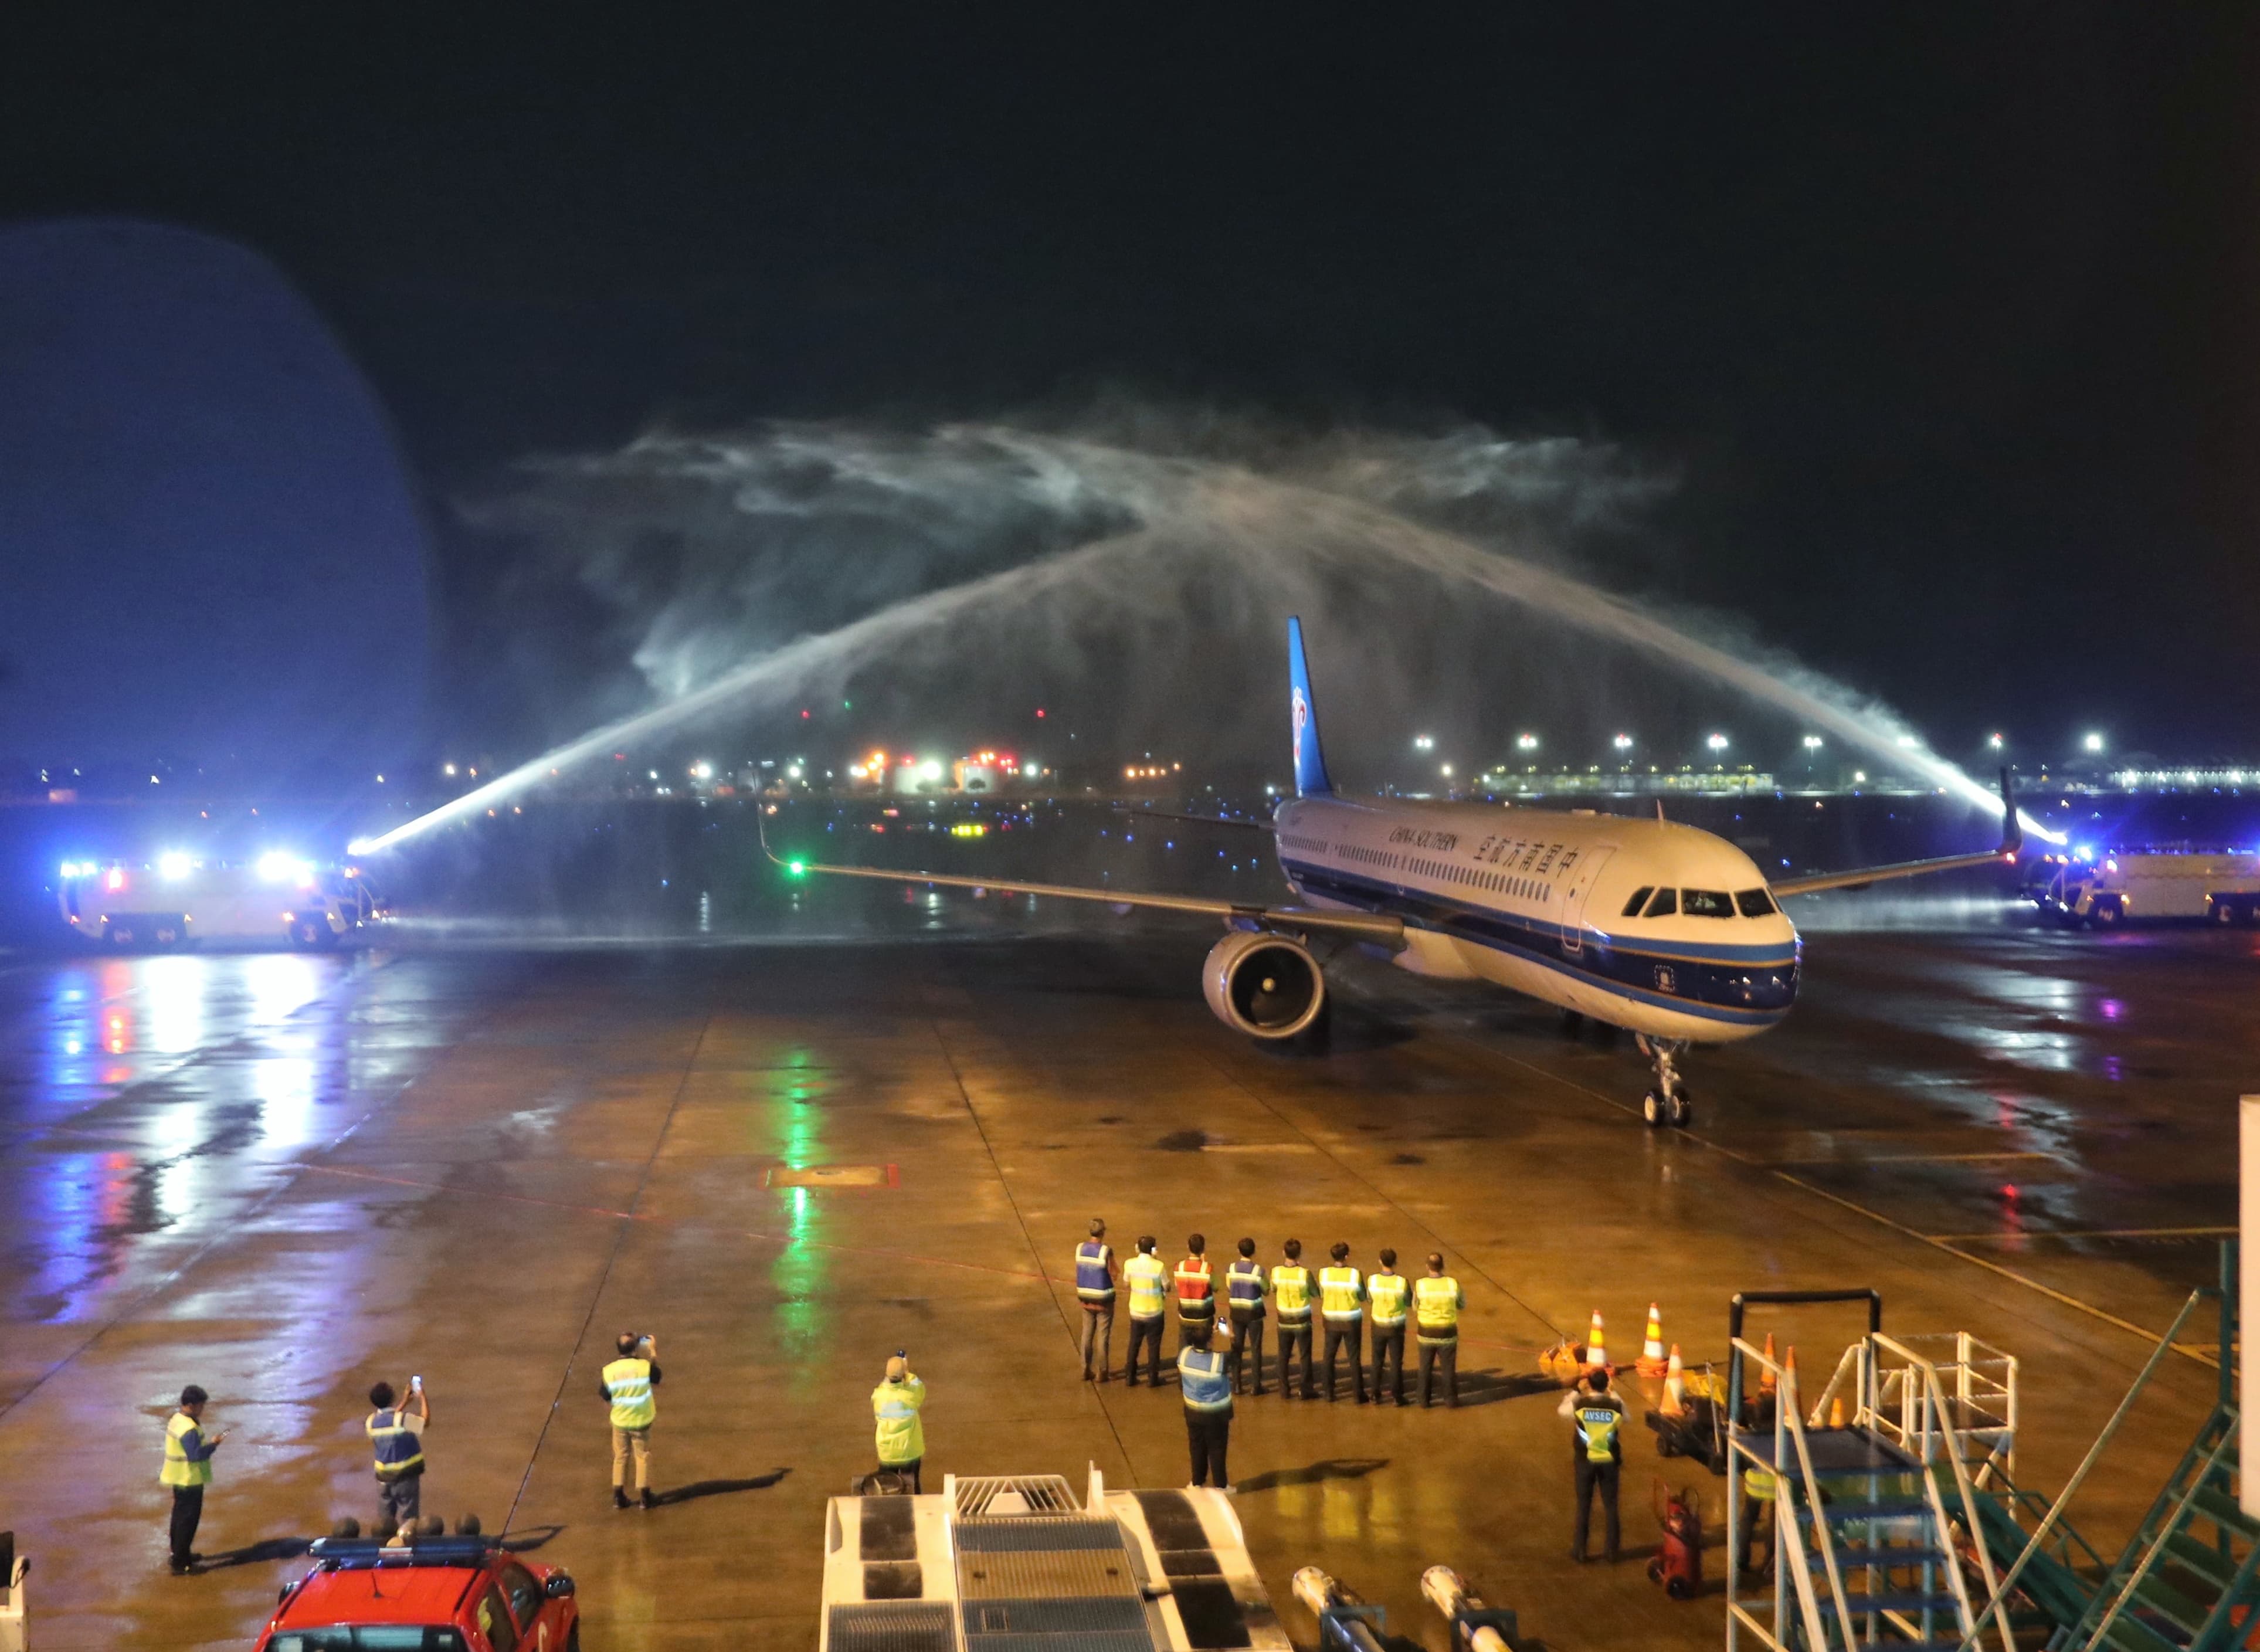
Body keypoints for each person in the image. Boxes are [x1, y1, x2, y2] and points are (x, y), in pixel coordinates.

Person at [1560, 1367, 1626, 1562]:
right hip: (1609, 1462)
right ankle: (1612, 1552)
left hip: (1585, 1462)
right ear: (1606, 1384)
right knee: (1611, 1506)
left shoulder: (1580, 1405)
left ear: (1589, 1384)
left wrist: (1577, 1390)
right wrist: (1614, 1392)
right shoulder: (1614, 1406)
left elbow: (1562, 1411)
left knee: (1584, 1506)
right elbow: (1627, 1417)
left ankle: (1580, 1551)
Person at [159, 1384, 226, 1575]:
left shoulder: (177, 1419)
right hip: (189, 1480)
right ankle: (182, 1564)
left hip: (179, 1477)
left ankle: (180, 1554)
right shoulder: (188, 1428)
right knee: (187, 1522)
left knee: (179, 1519)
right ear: (191, 1405)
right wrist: (213, 1445)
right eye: (200, 1406)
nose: (202, 1409)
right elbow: (196, 1455)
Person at [599, 1331, 661, 1510]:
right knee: (642, 1457)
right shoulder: (643, 1367)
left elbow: (605, 1396)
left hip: (620, 1422)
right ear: (636, 1348)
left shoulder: (609, 1371)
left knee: (620, 1457)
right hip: (641, 1421)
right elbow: (657, 1377)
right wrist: (653, 1353)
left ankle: (618, 1497)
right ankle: (645, 1498)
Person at [364, 1378, 432, 1529]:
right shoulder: (402, 1420)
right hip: (405, 1478)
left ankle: (386, 1547)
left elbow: (389, 1420)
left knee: (386, 1523)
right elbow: (425, 1422)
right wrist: (422, 1398)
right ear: (391, 1397)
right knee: (410, 1521)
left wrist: (404, 1402)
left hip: (383, 1480)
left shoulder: (370, 1423)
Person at [1177, 1324, 1233, 1491]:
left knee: (1196, 1447)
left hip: (1193, 1411)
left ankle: (1197, 1482)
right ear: (1210, 1342)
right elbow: (1236, 1356)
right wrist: (1231, 1336)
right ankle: (1221, 1486)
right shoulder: (1217, 1361)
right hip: (1216, 1414)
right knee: (1217, 1449)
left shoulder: (1185, 1355)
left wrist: (1207, 1332)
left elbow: (1191, 1342)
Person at [1318, 1243, 1368, 1403]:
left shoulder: (1324, 1273)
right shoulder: (1354, 1274)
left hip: (1331, 1320)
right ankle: (1358, 1395)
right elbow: (1362, 1296)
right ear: (1347, 1256)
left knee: (1329, 1356)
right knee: (1354, 1357)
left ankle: (1329, 1392)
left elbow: (1321, 1293)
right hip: (1351, 1319)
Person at [1413, 1253, 1465, 1408]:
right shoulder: (1452, 1284)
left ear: (1427, 1266)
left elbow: (1415, 1307)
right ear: (1442, 1266)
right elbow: (1462, 1304)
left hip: (1426, 1332)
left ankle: (1424, 1400)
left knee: (1425, 1368)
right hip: (1447, 1332)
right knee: (1448, 1368)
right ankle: (1450, 1400)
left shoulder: (1420, 1284)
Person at [872, 1354, 927, 1492]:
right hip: (909, 1451)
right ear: (903, 1375)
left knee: (887, 1489)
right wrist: (907, 1372)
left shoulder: (878, 1396)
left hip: (887, 1453)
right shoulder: (910, 1396)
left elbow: (884, 1387)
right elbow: (918, 1386)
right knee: (913, 1487)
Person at [1074, 1219, 1119, 1381]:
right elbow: (1115, 1273)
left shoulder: (1080, 1248)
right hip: (1103, 1299)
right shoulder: (1105, 1251)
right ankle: (1102, 1372)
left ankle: (1085, 1368)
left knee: (1087, 1334)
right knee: (1103, 1335)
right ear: (1103, 1232)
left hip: (1086, 1297)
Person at [1271, 1239, 1315, 1399]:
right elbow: (1315, 1293)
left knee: (1283, 1355)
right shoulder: (1304, 1273)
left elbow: (1273, 1288)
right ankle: (1305, 1390)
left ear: (1284, 1253)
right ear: (1299, 1254)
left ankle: (1284, 1389)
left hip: (1284, 1319)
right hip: (1302, 1320)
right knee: (1305, 1355)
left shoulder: (1276, 1272)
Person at [1123, 1236, 1169, 1386]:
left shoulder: (1129, 1264)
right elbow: (1167, 1286)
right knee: (1154, 1346)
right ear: (1153, 1250)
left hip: (1136, 1311)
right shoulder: (1159, 1266)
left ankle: (1130, 1376)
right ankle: (1153, 1378)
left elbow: (1126, 1283)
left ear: (1137, 1248)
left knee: (1134, 1344)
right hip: (1155, 1312)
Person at [1224, 1238, 1267, 1396]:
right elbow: (1266, 1289)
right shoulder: (1258, 1270)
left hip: (1237, 1311)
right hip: (1254, 1313)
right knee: (1256, 1349)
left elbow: (1229, 1287)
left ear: (1239, 1251)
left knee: (1237, 1348)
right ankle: (1256, 1386)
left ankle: (1237, 1385)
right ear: (1253, 1251)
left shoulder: (1232, 1268)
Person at [1367, 1249, 1410, 1406]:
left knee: (1377, 1360)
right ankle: (1397, 1396)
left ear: (1380, 1261)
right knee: (1396, 1362)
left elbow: (1370, 1299)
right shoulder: (1401, 1282)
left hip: (1378, 1324)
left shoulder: (1372, 1280)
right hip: (1396, 1326)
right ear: (1395, 1262)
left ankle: (1375, 1394)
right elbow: (1408, 1301)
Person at [1174, 1234, 1216, 1354]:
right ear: (1203, 1248)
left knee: (1184, 1350)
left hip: (1185, 1315)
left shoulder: (1179, 1267)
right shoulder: (1207, 1268)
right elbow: (1216, 1287)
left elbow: (1178, 1285)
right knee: (1203, 1350)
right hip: (1203, 1317)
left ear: (1188, 1247)